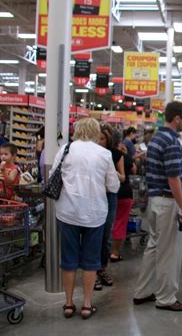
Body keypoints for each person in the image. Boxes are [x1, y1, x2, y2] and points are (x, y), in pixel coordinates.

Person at [52, 118, 119, 320]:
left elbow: (53, 176)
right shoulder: (104, 153)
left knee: (69, 259)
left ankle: (69, 303)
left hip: (67, 212)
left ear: (78, 130)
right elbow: (113, 186)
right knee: (91, 260)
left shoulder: (66, 149)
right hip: (95, 213)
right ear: (96, 132)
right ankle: (87, 304)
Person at [133, 101, 182, 312]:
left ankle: (142, 291)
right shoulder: (171, 141)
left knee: (154, 247)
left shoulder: (156, 137)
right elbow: (173, 178)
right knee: (169, 252)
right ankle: (166, 298)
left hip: (155, 201)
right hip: (168, 203)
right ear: (176, 118)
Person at [93, 126, 126, 291]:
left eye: (102, 138)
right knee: (92, 235)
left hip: (109, 197)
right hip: (92, 196)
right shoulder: (90, 154)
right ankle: (91, 273)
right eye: (97, 138)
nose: (99, 142)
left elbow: (123, 177)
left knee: (106, 235)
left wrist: (110, 172)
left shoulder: (115, 154)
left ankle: (101, 269)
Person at [110, 140, 135, 262]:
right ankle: (114, 253)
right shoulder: (123, 156)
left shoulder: (101, 154)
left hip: (107, 193)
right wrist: (126, 154)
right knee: (120, 223)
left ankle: (106, 250)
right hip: (124, 193)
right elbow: (134, 169)